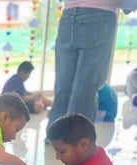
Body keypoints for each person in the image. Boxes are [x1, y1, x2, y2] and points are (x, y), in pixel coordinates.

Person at [45, 1, 118, 138]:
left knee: (63, 86)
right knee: (85, 88)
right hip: (100, 15)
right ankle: (74, 142)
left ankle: (55, 137)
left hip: (69, 14)